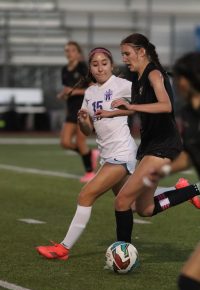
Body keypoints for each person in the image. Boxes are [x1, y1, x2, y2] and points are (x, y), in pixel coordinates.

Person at [95, 33, 200, 244]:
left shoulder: (154, 74)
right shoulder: (138, 79)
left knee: (122, 201)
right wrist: (112, 113)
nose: (124, 58)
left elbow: (165, 106)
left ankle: (122, 252)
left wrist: (131, 106)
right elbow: (137, 109)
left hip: (163, 147)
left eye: (127, 53)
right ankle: (195, 189)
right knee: (144, 208)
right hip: (150, 146)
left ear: (141, 52)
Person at [36, 47, 138, 260]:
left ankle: (63, 248)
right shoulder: (91, 92)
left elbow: (148, 98)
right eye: (95, 64)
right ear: (90, 69)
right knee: (135, 203)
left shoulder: (123, 85)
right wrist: (83, 121)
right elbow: (87, 130)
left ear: (112, 65)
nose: (100, 68)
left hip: (122, 152)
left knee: (85, 195)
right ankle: (187, 190)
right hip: (107, 155)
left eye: (104, 63)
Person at [57, 41, 99, 183]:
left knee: (81, 141)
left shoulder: (83, 68)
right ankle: (90, 154)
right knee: (65, 142)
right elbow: (68, 90)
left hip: (84, 108)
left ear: (78, 53)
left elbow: (93, 87)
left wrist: (74, 92)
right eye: (67, 50)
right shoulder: (64, 70)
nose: (69, 53)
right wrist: (64, 94)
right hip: (71, 110)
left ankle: (89, 173)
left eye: (72, 50)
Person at [165, 53, 200, 178]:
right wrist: (164, 170)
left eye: (179, 79)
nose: (176, 84)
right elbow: (191, 155)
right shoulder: (187, 113)